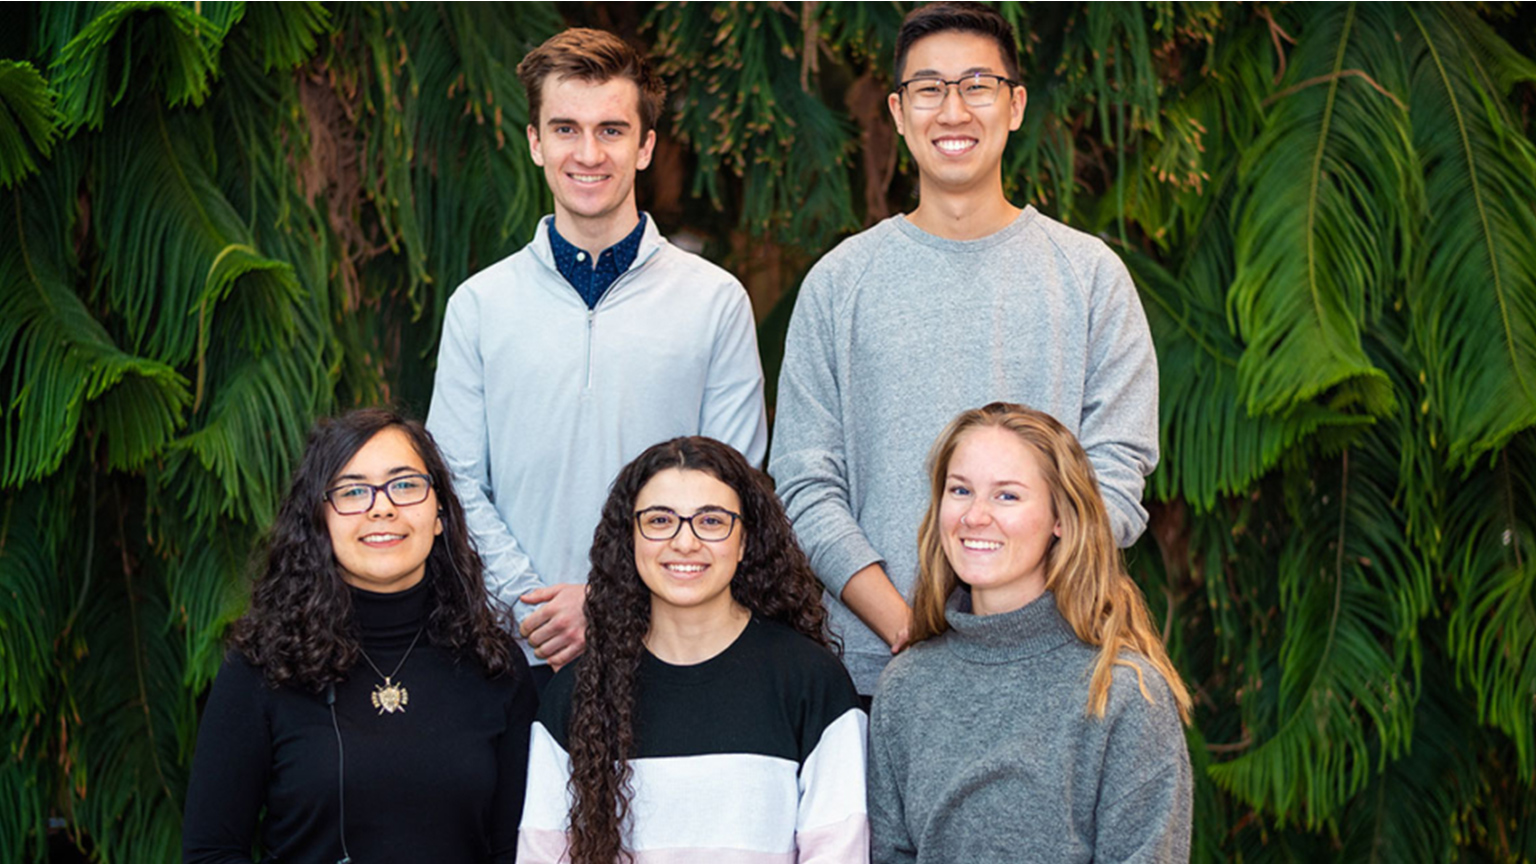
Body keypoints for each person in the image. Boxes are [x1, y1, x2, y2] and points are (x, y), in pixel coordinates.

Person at [769, 1, 1160, 698]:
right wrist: (905, 626)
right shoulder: (838, 284)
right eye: (929, 88)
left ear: (1014, 106)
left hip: (1053, 666)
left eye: (977, 86)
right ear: (897, 111)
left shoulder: (1090, 277)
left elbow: (1117, 478)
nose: (953, 110)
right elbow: (804, 487)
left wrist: (1010, 626)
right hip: (874, 678)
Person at [427, 28, 768, 686]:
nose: (588, 153)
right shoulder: (479, 305)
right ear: (535, 142)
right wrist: (537, 607)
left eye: (612, 130)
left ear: (645, 147)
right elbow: (457, 483)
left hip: (669, 655)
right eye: (565, 129)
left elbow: (731, 487)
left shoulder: (714, 301)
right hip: (517, 657)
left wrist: (613, 606)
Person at [182, 409, 538, 864]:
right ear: (320, 520)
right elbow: (212, 852)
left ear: (440, 515)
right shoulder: (262, 667)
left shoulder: (497, 666)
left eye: (405, 485)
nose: (382, 507)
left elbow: (517, 851)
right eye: (353, 491)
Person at [867, 403, 1192, 864]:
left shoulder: (1122, 693)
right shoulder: (905, 687)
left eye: (1007, 496)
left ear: (1061, 518)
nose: (975, 516)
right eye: (960, 490)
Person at [518, 437, 868, 864]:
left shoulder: (812, 682)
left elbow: (838, 852)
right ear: (630, 538)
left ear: (745, 541)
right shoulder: (577, 694)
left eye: (712, 521)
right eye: (661, 520)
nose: (685, 542)